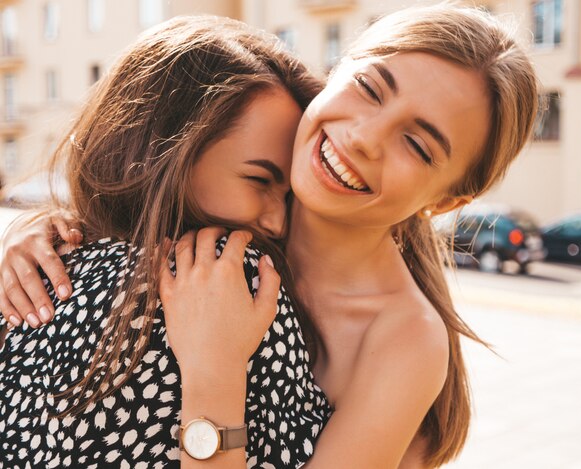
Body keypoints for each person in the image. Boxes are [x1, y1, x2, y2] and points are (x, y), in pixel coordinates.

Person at [0, 4, 539, 468]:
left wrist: (213, 367)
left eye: (417, 146)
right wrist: (44, 236)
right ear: (335, 71)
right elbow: (144, 185)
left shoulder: (404, 343)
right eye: (370, 88)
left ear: (446, 201)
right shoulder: (244, 186)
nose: (364, 138)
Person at [0, 15, 331, 469]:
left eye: (289, 194)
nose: (277, 220)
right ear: (164, 151)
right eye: (259, 180)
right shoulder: (232, 276)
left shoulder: (45, 272)